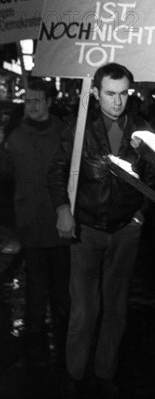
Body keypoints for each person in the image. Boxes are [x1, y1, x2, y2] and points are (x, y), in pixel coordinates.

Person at [48, 63, 154, 399]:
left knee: (116, 306)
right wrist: (64, 209)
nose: (118, 101)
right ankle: (75, 375)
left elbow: (154, 179)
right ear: (95, 94)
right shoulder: (78, 130)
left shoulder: (141, 131)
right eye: (110, 93)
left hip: (125, 230)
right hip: (86, 230)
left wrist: (140, 214)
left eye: (123, 93)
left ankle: (105, 372)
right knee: (84, 309)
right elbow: (56, 173)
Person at [0, 78, 70, 353]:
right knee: (36, 286)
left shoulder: (65, 134)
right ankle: (35, 340)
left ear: (49, 103)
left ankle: (66, 342)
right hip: (29, 222)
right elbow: (5, 177)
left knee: (62, 287)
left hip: (61, 223)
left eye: (37, 100)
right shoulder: (14, 137)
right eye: (28, 101)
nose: (32, 106)